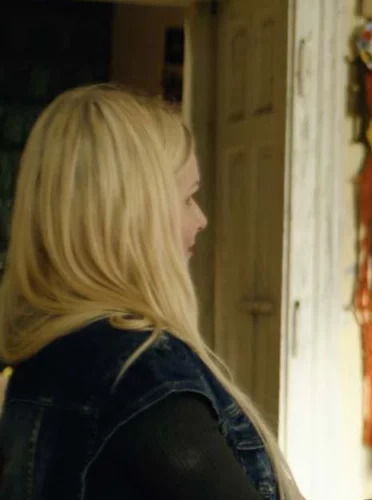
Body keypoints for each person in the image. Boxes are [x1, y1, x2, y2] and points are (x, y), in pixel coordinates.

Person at [0, 85, 303, 499]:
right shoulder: (141, 372)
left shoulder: (41, 359)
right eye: (188, 197)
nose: (202, 218)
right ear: (135, 215)